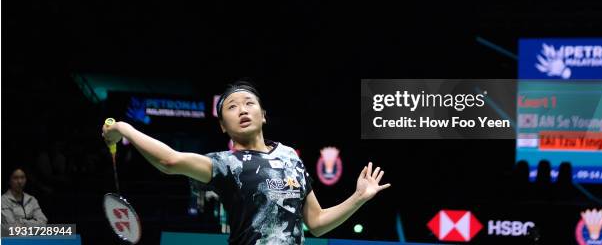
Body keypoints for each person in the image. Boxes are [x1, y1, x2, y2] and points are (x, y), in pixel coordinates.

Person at [102, 82, 390, 244]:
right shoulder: (225, 164)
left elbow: (316, 223)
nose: (242, 109)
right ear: (223, 127)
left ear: (263, 115)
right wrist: (125, 129)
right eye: (231, 107)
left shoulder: (291, 157)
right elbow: (169, 160)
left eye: (249, 103)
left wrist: (358, 198)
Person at [1, 168, 48, 234]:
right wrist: (33, 223)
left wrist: (21, 222)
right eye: (15, 178)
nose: (20, 181)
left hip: (34, 240)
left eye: (22, 177)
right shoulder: (3, 201)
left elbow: (43, 222)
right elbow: (13, 228)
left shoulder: (32, 199)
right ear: (9, 181)